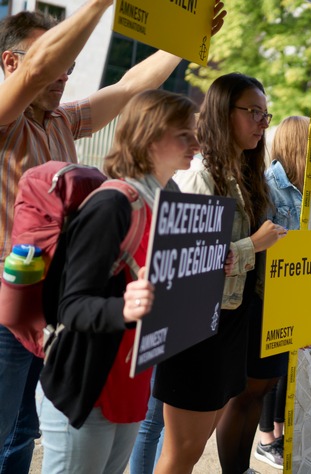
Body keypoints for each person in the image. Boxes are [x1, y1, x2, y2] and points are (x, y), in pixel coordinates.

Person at [0, 2, 225, 471]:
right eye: (57, 63)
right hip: (8, 304)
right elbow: (40, 69)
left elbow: (129, 86)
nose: (64, 75)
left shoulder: (63, 119)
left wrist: (183, 42)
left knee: (24, 430)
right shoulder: (5, 117)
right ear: (11, 62)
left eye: (71, 68)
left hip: (53, 305)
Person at [36, 89, 200, 474]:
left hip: (129, 386)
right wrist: (124, 308)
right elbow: (70, 305)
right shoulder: (111, 205)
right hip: (88, 388)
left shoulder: (168, 199)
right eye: (185, 134)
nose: (196, 142)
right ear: (150, 135)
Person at [155, 73, 286, 474]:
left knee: (194, 448)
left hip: (227, 325)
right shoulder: (199, 178)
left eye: (266, 115)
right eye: (254, 113)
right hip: (196, 333)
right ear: (222, 113)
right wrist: (254, 245)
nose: (263, 124)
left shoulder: (242, 178)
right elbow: (186, 265)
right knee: (182, 450)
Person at [254, 115, 309, 470]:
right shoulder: (270, 186)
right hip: (271, 291)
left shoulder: (309, 187)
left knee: (287, 368)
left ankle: (279, 431)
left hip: (298, 290)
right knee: (269, 373)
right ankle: (265, 440)